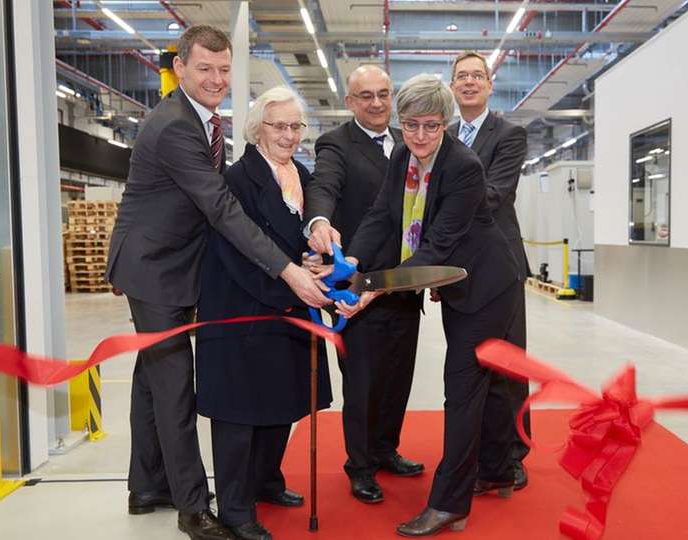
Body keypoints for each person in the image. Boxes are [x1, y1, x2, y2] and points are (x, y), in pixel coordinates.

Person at [104, 26, 329, 540]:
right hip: (155, 266)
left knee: (149, 381)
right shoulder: (177, 126)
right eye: (204, 68)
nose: (216, 79)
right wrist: (288, 270)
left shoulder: (201, 118)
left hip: (166, 257)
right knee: (175, 386)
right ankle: (190, 506)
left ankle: (147, 485)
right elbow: (221, 208)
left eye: (224, 69)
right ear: (180, 67)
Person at [343, 74, 525, 536]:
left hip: (486, 287)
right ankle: (499, 470)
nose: (420, 136)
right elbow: (383, 213)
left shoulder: (464, 166)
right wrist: (352, 261)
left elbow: (438, 244)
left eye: (430, 126)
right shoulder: (403, 155)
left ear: (444, 124)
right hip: (456, 286)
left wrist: (374, 286)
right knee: (489, 385)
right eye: (410, 125)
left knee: (461, 391)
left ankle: (449, 504)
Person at [195, 86, 332, 540]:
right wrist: (292, 290)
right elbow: (238, 253)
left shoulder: (303, 175)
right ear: (257, 130)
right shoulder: (238, 180)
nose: (289, 135)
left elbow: (300, 240)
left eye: (296, 126)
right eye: (279, 126)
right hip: (245, 310)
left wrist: (316, 264)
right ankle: (235, 507)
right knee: (239, 414)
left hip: (287, 308)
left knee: (282, 402)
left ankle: (267, 480)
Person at [303, 65, 424, 505]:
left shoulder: (411, 140)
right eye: (365, 95)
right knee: (363, 383)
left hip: (405, 284)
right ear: (350, 102)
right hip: (357, 288)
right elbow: (324, 187)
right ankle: (360, 466)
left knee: (398, 378)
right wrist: (318, 221)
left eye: (383, 94)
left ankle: (385, 449)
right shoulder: (337, 144)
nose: (376, 103)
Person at [448, 51, 531, 494]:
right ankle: (484, 451)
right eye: (461, 76)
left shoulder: (508, 134)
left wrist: (444, 210)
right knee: (471, 364)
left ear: (490, 84)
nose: (469, 82)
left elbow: (495, 193)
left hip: (499, 267)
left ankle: (514, 455)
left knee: (508, 363)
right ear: (452, 85)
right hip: (458, 270)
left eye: (476, 75)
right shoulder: (442, 135)